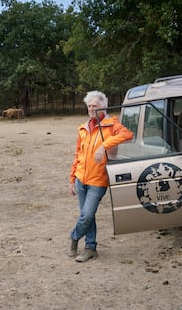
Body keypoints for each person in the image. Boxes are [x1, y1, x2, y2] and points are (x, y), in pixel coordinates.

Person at [68, 90, 133, 262]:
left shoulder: (112, 124)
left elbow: (128, 134)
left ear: (103, 107)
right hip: (81, 178)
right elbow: (78, 154)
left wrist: (104, 145)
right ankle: (90, 248)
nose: (91, 108)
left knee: (87, 215)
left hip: (98, 180)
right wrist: (72, 179)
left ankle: (74, 237)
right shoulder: (83, 128)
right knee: (88, 215)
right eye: (89, 105)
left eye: (94, 106)